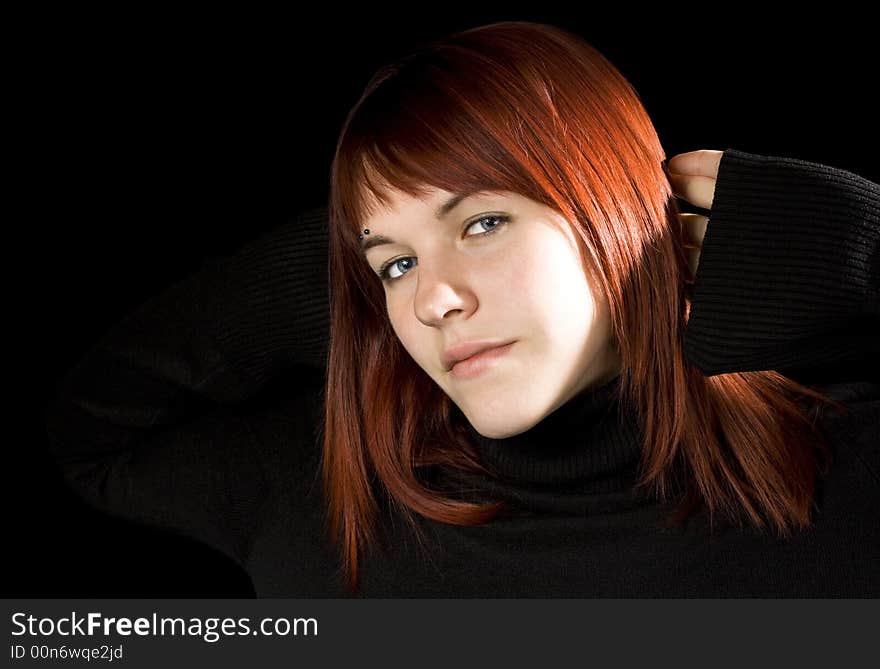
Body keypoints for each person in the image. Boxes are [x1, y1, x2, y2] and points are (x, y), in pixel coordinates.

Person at [45, 21, 878, 598]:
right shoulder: (325, 504)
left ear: (618, 212)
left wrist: (861, 252)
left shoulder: (843, 477)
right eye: (396, 265)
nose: (433, 299)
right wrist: (340, 267)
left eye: (482, 222)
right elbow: (94, 431)